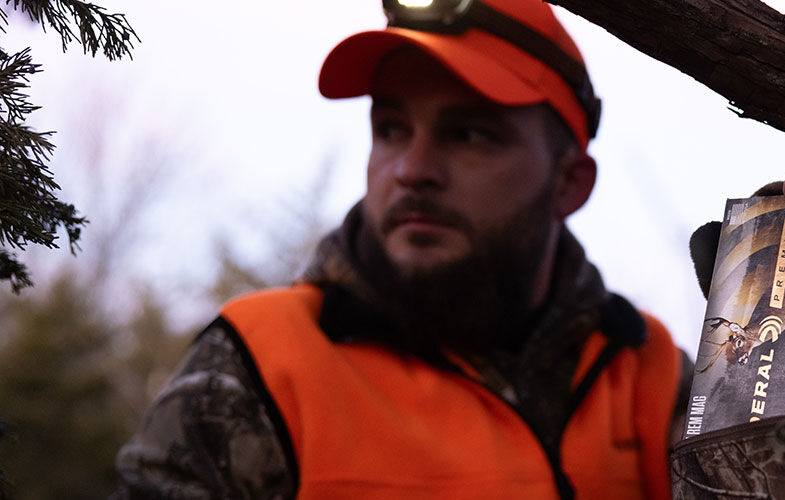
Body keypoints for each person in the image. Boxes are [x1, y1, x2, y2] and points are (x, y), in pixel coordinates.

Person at [113, 1, 694, 498]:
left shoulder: (651, 374)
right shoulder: (262, 361)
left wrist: (775, 330)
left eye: (467, 134)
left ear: (570, 183)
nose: (412, 171)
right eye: (390, 129)